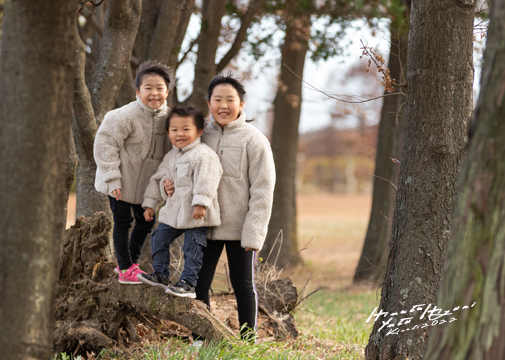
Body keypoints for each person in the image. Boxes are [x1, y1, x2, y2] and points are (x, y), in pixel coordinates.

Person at [165, 74, 275, 339]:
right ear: (209, 103)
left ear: (241, 103)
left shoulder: (254, 140)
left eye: (230, 100)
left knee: (243, 285)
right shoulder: (200, 134)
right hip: (204, 224)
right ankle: (202, 340)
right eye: (217, 100)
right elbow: (178, 168)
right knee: (199, 283)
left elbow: (262, 189)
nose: (224, 105)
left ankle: (248, 341)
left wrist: (254, 232)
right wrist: (165, 187)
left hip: (239, 229)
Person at [94, 60, 174, 284]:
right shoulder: (122, 116)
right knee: (122, 222)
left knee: (146, 222)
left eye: (160, 88)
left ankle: (131, 264)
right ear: (138, 91)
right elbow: (105, 146)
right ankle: (125, 267)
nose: (154, 93)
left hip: (146, 187)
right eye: (148, 88)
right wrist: (112, 179)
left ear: (167, 91)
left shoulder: (170, 119)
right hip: (119, 181)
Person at [139, 106, 223, 298]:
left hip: (195, 213)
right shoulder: (171, 156)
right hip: (173, 212)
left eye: (186, 129)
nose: (180, 134)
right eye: (174, 130)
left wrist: (201, 203)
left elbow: (208, 180)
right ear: (168, 133)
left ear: (199, 132)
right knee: (158, 237)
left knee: (192, 247)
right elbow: (160, 178)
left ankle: (188, 283)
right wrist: (151, 203)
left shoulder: (204, 155)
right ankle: (160, 273)